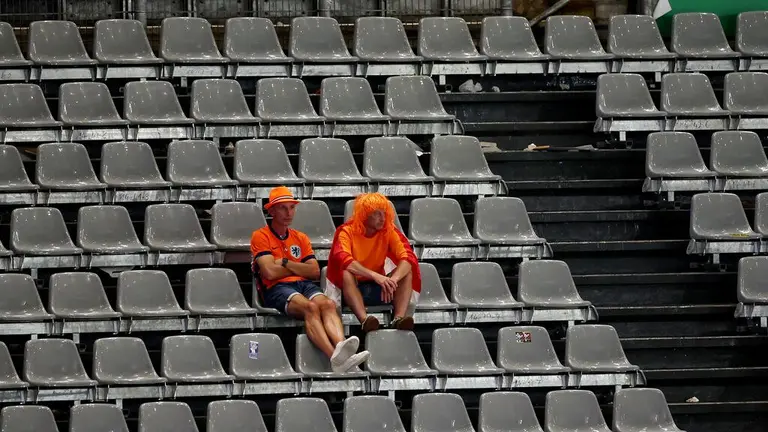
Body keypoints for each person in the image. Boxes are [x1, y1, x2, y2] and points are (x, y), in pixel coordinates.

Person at [251, 186, 369, 372]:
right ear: (271, 210)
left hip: (304, 284)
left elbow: (314, 272)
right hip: (276, 288)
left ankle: (344, 354)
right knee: (311, 307)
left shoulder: (301, 237)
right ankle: (335, 359)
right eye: (283, 208)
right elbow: (270, 274)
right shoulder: (260, 236)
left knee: (329, 304)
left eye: (292, 207)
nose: (289, 213)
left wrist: (285, 263)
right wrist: (299, 269)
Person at [326, 192, 421, 332]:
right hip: (352, 288)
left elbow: (408, 257)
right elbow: (343, 259)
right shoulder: (346, 231)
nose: (383, 218)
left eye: (384, 213)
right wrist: (376, 276)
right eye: (377, 214)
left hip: (381, 287)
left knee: (406, 272)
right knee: (346, 272)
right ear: (364, 214)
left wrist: (393, 280)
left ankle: (398, 319)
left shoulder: (389, 230)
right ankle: (365, 320)